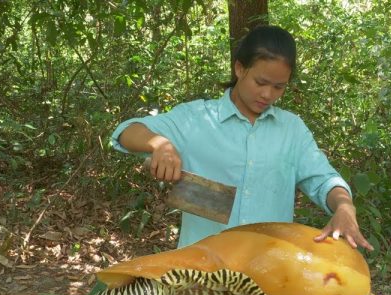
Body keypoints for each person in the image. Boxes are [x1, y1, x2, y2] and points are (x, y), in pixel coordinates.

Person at [110, 25, 373, 251]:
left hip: (268, 273)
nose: (268, 94)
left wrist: (344, 207)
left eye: (278, 87)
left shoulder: (291, 130)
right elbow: (125, 131)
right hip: (201, 271)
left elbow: (324, 180)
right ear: (240, 68)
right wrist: (161, 145)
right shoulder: (197, 118)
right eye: (261, 82)